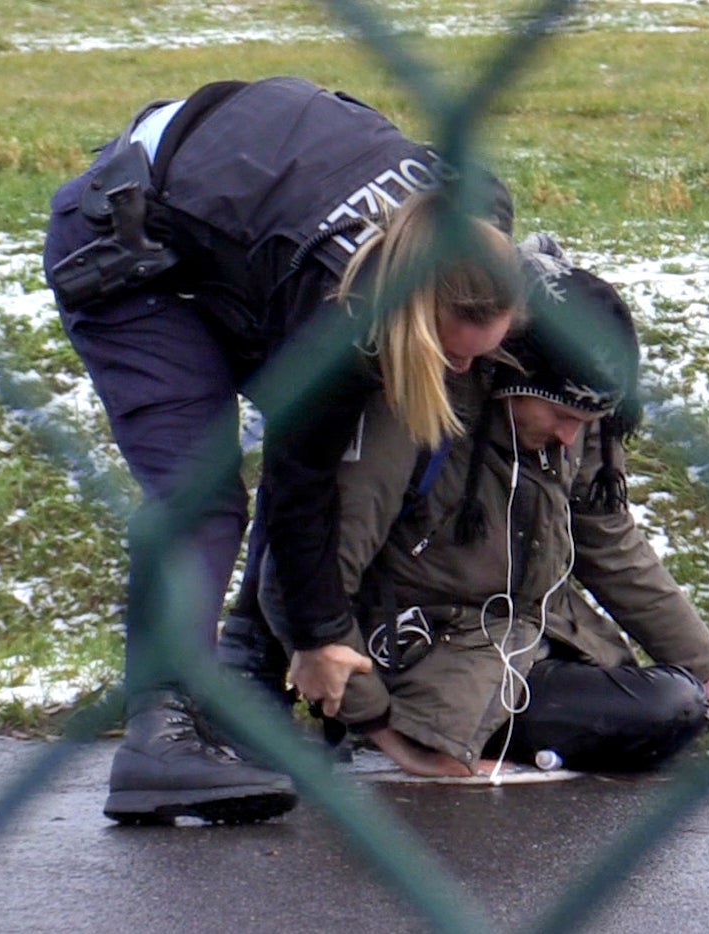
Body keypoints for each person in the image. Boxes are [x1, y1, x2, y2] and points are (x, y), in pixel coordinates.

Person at [43, 76, 525, 823]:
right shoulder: (337, 321)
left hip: (237, 231)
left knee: (366, 422)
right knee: (200, 494)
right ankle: (159, 733)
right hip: (121, 245)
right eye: (449, 354)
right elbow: (303, 478)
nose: (461, 371)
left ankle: (247, 683)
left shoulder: (478, 215)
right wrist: (319, 634)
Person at [257, 236, 709, 776]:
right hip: (430, 659)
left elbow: (608, 538)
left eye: (586, 425)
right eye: (563, 417)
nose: (568, 438)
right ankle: (461, 734)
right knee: (666, 709)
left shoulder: (574, 418)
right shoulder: (414, 413)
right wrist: (385, 729)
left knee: (683, 699)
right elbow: (301, 582)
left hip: (531, 637)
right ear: (510, 378)